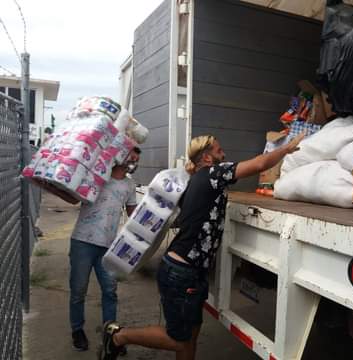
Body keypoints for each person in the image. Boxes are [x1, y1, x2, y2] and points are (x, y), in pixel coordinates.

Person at [98, 133, 304, 360]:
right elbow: (259, 164)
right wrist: (286, 149)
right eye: (218, 151)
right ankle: (118, 336)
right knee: (178, 339)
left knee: (191, 337)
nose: (223, 154)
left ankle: (120, 336)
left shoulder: (195, 181)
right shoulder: (212, 174)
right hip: (181, 271)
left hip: (191, 271)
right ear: (206, 158)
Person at [44, 147, 141, 352]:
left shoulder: (130, 185)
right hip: (83, 242)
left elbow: (133, 214)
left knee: (110, 291)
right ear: (120, 154)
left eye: (137, 156)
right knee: (78, 290)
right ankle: (77, 330)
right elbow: (74, 198)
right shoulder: (98, 175)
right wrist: (49, 185)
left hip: (109, 246)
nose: (135, 159)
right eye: (132, 154)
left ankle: (112, 336)